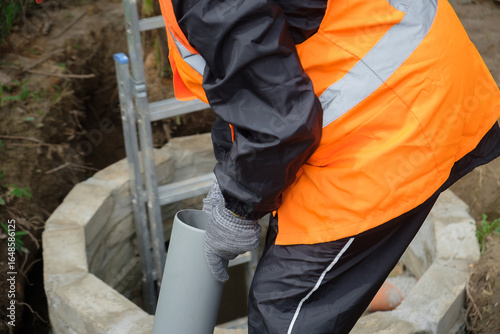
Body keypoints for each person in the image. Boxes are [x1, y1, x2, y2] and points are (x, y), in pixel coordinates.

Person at [159, 0, 500, 332]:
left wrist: (238, 210)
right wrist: (231, 176)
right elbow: (247, 81)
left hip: (393, 114)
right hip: (412, 67)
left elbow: (279, 123)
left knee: (285, 310)